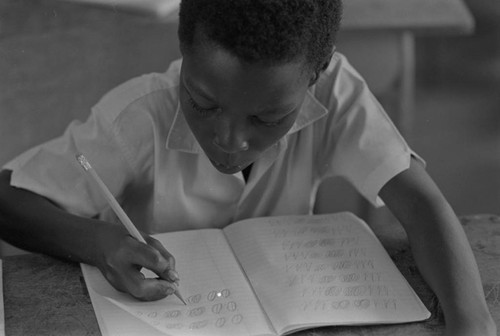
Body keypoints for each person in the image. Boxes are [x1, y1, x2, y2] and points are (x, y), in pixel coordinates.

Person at [0, 0, 495, 334]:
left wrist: (472, 321)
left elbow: (421, 201)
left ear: (315, 78)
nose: (230, 140)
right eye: (202, 103)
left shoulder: (336, 91)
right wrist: (100, 244)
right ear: (183, 53)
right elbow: (7, 197)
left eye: (267, 118)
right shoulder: (140, 114)